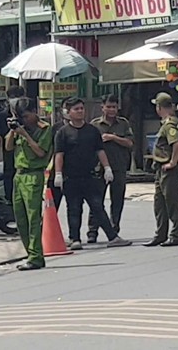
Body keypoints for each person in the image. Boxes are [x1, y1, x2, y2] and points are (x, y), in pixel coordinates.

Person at [54, 97, 132, 250]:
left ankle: (112, 237)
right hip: (71, 176)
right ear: (68, 113)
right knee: (74, 208)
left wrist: (107, 168)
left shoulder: (92, 130)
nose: (80, 111)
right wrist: (58, 173)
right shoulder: (63, 133)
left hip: (90, 175)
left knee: (97, 206)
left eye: (81, 108)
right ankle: (75, 238)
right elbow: (59, 154)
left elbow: (100, 150)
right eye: (76, 109)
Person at [4, 97, 53, 271]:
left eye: (25, 116)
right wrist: (13, 130)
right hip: (19, 175)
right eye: (20, 117)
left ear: (35, 112)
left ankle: (36, 256)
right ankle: (30, 254)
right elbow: (9, 148)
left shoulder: (44, 129)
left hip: (33, 175)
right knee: (20, 218)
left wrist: (25, 135)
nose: (24, 120)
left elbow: (40, 152)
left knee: (33, 218)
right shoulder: (19, 128)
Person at [87, 94, 134, 243]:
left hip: (119, 167)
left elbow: (130, 143)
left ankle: (114, 229)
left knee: (118, 200)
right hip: (99, 169)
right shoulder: (95, 125)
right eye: (108, 107)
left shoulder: (123, 123)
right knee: (96, 201)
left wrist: (113, 138)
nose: (112, 110)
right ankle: (92, 231)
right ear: (103, 107)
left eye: (114, 107)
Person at [144, 92, 178, 247]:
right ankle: (160, 234)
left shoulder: (170, 124)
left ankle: (175, 235)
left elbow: (177, 144)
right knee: (159, 203)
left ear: (159, 107)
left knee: (172, 202)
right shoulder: (167, 123)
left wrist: (173, 162)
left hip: (168, 169)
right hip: (160, 169)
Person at [47, 97, 72, 210]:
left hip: (74, 173)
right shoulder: (55, 128)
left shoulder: (85, 128)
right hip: (56, 172)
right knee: (52, 205)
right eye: (66, 108)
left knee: (73, 206)